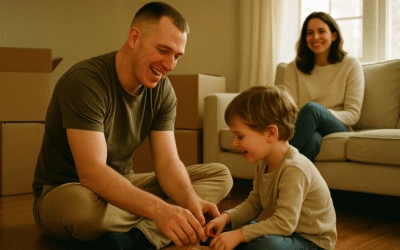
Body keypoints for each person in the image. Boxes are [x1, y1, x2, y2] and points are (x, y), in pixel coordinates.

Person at [32, 2, 233, 249]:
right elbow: (91, 173)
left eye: (177, 56)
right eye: (163, 50)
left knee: (220, 175)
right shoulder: (84, 82)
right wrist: (160, 209)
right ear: (134, 37)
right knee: (85, 211)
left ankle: (137, 238)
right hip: (69, 192)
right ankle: (162, 224)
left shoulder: (162, 91)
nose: (169, 66)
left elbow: (168, 163)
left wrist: (191, 202)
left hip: (122, 184)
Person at [204, 86, 337, 250]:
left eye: (240, 136)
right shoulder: (264, 162)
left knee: (263, 245)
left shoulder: (294, 169)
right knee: (220, 229)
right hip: (285, 234)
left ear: (271, 133)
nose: (234, 143)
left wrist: (239, 235)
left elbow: (284, 224)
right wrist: (225, 218)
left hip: (311, 242)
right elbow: (254, 203)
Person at [281, 12, 365, 161]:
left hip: (338, 126)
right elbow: (290, 109)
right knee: (313, 140)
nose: (315, 37)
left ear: (333, 36)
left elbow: (353, 115)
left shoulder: (351, 65)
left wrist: (319, 115)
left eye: (321, 31)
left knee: (312, 109)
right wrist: (311, 120)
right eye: (309, 33)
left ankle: (274, 168)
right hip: (305, 126)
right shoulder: (293, 67)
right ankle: (293, 183)